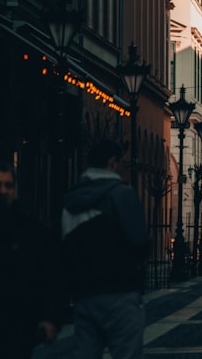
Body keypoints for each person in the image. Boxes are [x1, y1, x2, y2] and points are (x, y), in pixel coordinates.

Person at [62, 139, 148, 359]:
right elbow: (139, 243)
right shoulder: (122, 193)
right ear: (112, 162)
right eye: (122, 163)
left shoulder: (71, 200)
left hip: (84, 294)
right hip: (120, 291)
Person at [0, 162, 64, 358]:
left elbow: (49, 276)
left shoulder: (32, 231)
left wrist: (50, 318)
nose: (3, 191)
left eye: (8, 185)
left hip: (18, 327)